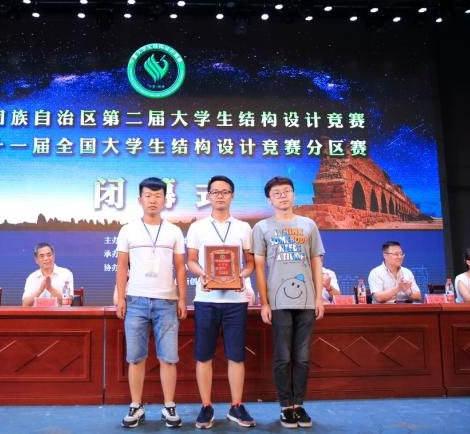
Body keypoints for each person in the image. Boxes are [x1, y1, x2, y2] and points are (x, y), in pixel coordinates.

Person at [252, 176, 325, 429]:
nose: (282, 196)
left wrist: (318, 297)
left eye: (286, 191)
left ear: (293, 195)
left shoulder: (308, 225)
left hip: (306, 301)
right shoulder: (261, 227)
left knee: (302, 358)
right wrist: (264, 302)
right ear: (269, 199)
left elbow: (316, 261)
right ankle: (285, 406)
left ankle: (299, 405)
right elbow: (259, 267)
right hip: (278, 302)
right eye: (277, 193)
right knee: (282, 357)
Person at [115, 177, 187, 428]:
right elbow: (121, 267)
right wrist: (121, 298)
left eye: (158, 196)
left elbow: (180, 268)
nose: (153, 200)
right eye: (148, 195)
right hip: (135, 301)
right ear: (140, 200)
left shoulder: (174, 231)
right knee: (136, 358)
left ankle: (169, 406)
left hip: (167, 302)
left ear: (165, 200)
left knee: (169, 358)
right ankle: (136, 406)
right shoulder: (128, 230)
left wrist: (182, 298)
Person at [186, 175, 256, 429]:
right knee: (203, 354)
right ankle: (206, 406)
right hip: (206, 299)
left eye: (225, 192)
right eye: (215, 192)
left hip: (236, 301)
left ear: (232, 196)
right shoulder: (197, 227)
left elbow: (250, 263)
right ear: (208, 196)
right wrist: (203, 274)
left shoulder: (243, 228)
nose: (220, 196)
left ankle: (236, 405)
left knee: (236, 355)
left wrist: (241, 277)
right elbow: (191, 260)